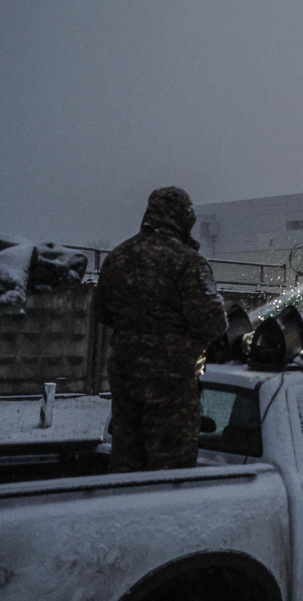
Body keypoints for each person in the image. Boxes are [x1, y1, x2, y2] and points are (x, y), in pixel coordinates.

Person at [94, 187, 227, 472]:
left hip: (125, 374)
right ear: (182, 218)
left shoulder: (118, 256)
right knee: (170, 466)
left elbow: (101, 312)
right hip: (171, 381)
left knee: (126, 458)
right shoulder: (187, 261)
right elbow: (212, 322)